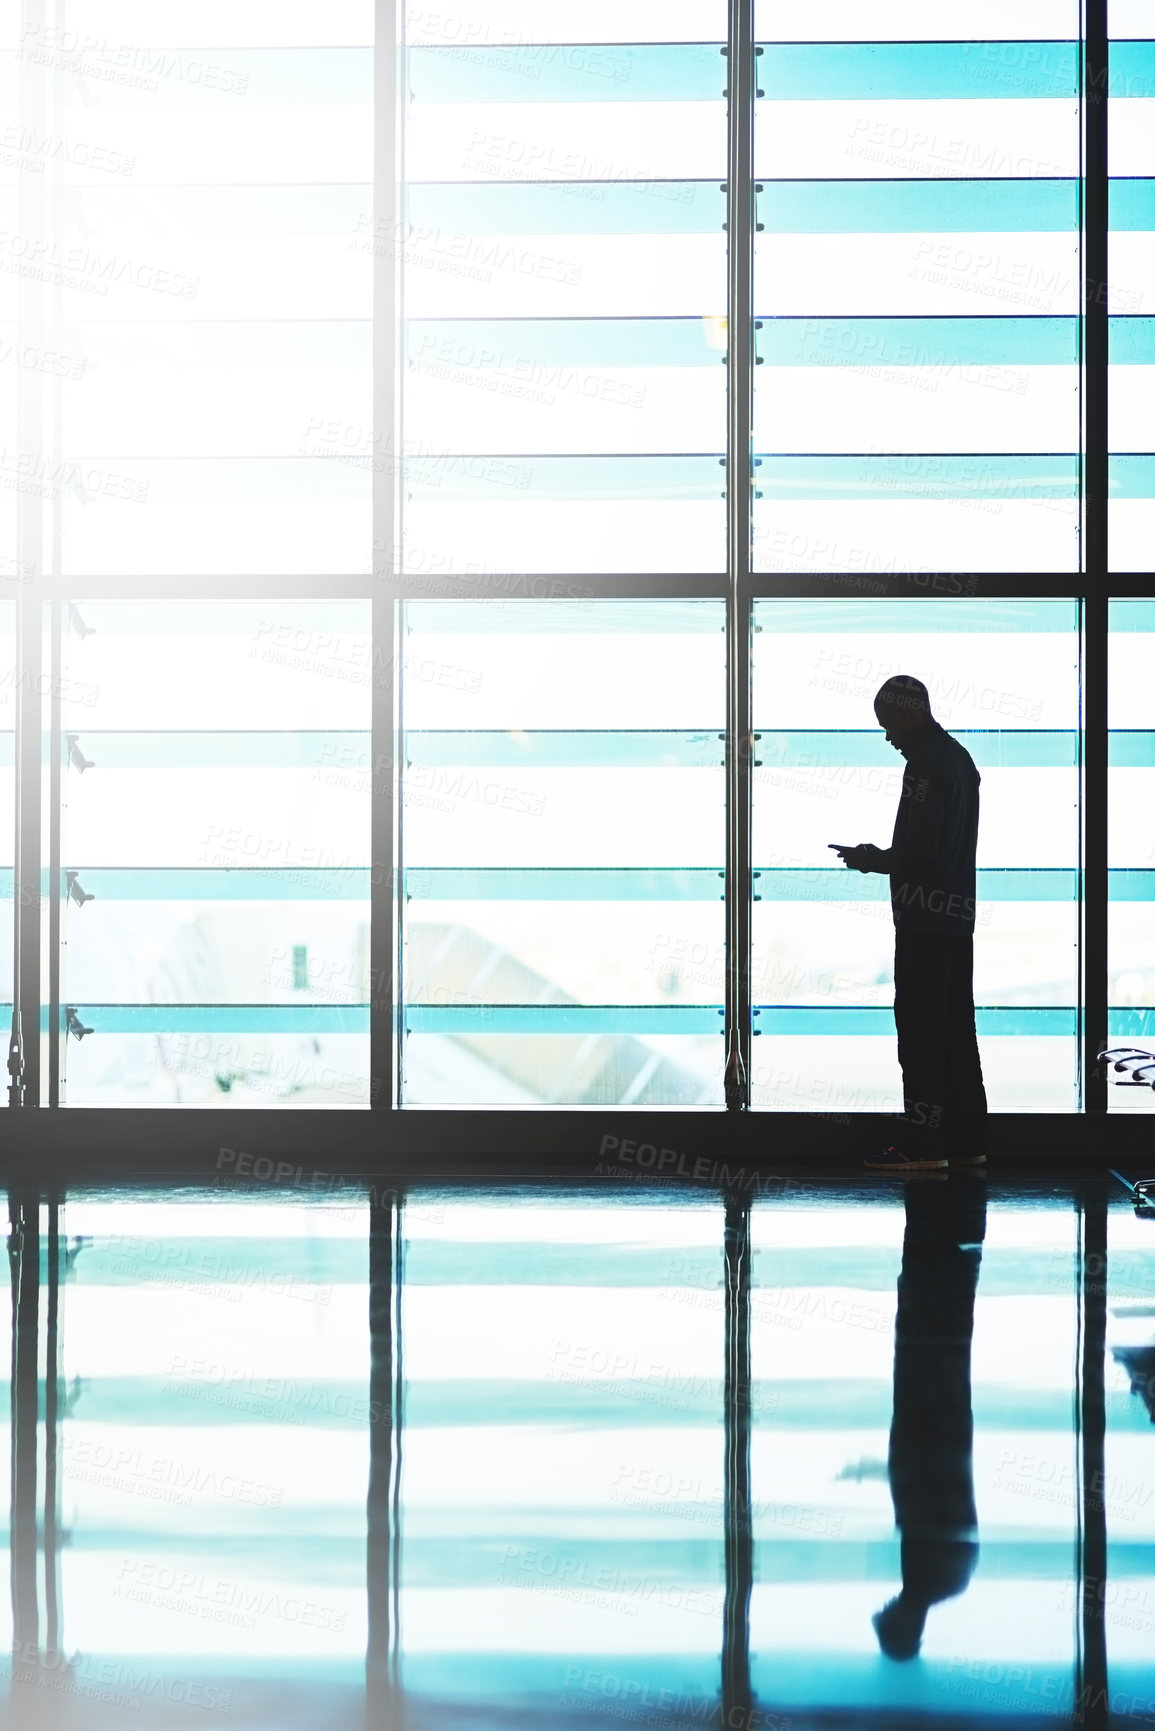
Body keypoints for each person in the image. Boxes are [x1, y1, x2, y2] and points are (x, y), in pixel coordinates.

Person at [831, 675, 988, 1173]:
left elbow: (921, 852)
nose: (888, 737)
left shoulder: (925, 765)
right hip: (956, 918)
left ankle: (923, 1146)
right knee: (956, 1033)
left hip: (925, 921)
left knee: (920, 1034)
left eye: (889, 724)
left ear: (910, 712)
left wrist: (869, 859)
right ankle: (965, 1142)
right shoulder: (960, 760)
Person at [873, 1175, 986, 1660]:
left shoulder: (948, 1579)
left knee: (942, 1328)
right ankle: (935, 1229)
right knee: (927, 1328)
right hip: (929, 1432)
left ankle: (941, 1235)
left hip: (943, 1431)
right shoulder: (931, 1576)